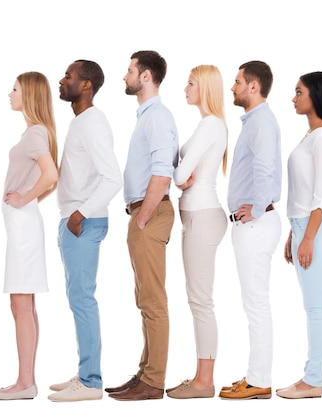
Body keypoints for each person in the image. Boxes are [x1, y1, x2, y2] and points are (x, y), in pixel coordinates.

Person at [47, 60, 123, 402]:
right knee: (78, 298)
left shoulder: (92, 122)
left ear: (87, 85)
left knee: (82, 300)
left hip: (83, 223)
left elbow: (113, 178)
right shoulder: (81, 122)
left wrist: (79, 214)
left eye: (69, 76)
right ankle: (84, 373)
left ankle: (91, 381)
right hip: (74, 220)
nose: (62, 81)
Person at [106, 50, 178, 401]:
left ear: (146, 76)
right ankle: (144, 373)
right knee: (144, 298)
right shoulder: (147, 117)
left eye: (130, 70)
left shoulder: (158, 117)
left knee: (153, 301)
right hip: (143, 212)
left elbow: (163, 173)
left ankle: (153, 381)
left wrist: (143, 217)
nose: (125, 76)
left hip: (149, 212)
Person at [0, 71, 58, 400]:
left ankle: (24, 383)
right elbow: (47, 180)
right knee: (23, 304)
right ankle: (26, 381)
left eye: (14, 89)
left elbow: (50, 175)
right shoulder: (34, 132)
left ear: (28, 94)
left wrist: (24, 199)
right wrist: (27, 199)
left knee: (21, 304)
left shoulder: (35, 134)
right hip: (22, 223)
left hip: (23, 226)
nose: (10, 94)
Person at [278, 71, 322, 399]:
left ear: (316, 96)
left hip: (316, 228)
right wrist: (295, 234)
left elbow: (321, 195)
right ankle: (310, 378)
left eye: (299, 92)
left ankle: (313, 380)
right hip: (305, 227)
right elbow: (303, 195)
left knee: (316, 307)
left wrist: (307, 237)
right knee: (311, 306)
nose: (294, 97)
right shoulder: (311, 136)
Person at [218, 60, 281, 400]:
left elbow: (265, 167)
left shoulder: (261, 123)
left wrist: (255, 208)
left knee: (256, 304)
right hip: (253, 224)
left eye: (238, 81)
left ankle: (259, 381)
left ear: (253, 86)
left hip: (256, 225)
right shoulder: (256, 122)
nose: (233, 87)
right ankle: (255, 376)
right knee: (253, 303)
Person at [165, 65, 228, 399]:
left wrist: (179, 175)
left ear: (204, 87)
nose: (185, 88)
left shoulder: (210, 124)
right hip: (197, 216)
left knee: (200, 300)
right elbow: (182, 175)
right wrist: (181, 176)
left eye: (191, 83)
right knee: (197, 298)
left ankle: (204, 381)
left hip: (202, 216)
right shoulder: (208, 125)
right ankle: (200, 376)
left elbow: (179, 176)